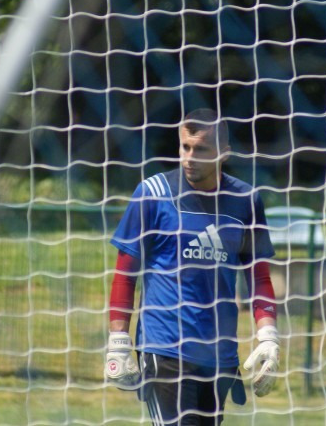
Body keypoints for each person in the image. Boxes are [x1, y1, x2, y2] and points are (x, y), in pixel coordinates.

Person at [104, 108, 280, 425]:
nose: (189, 157)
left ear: (224, 152)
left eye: (200, 149)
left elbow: (259, 278)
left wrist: (268, 336)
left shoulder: (245, 201)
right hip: (164, 348)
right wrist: (119, 340)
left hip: (219, 355)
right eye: (185, 147)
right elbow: (125, 273)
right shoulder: (153, 194)